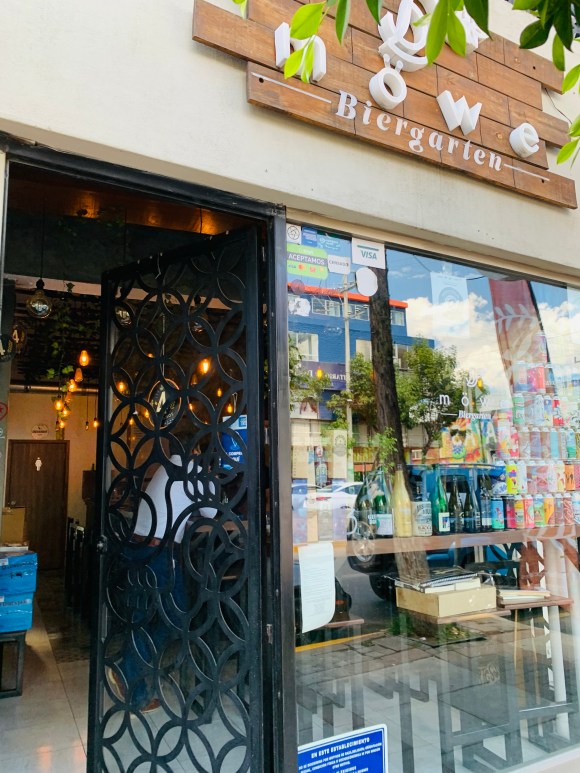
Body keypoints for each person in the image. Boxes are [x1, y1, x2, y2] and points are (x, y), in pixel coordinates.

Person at [108, 434, 217, 712]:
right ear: (196, 449)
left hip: (138, 547)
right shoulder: (192, 472)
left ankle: (130, 671)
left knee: (143, 617)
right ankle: (130, 677)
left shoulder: (164, 469)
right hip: (159, 553)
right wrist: (209, 477)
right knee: (176, 616)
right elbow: (212, 513)